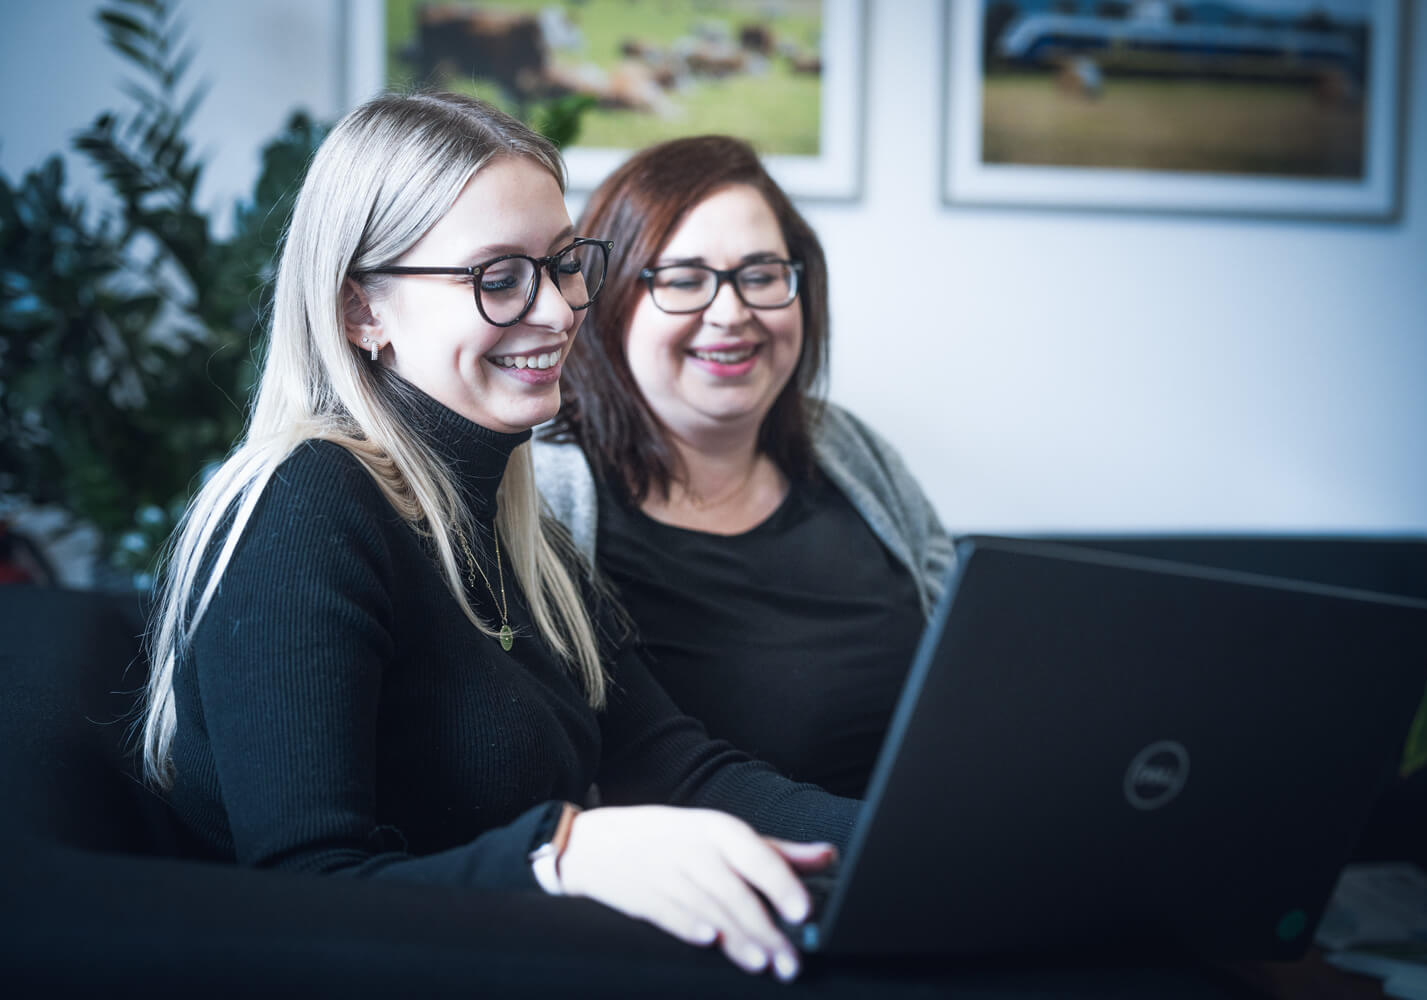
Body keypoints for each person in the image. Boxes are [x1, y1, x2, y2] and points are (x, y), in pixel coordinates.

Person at [137, 93, 857, 982]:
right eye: (499, 276)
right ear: (362, 310)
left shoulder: (513, 523)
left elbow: (675, 766)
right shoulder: (308, 507)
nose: (557, 312)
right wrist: (559, 858)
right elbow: (304, 889)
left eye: (563, 266)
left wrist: (907, 836)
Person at [535, 136, 954, 800]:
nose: (731, 314)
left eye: (760, 275)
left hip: (931, 855)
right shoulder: (543, 496)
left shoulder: (850, 450)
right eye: (682, 279)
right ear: (608, 304)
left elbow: (965, 662)